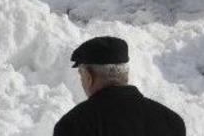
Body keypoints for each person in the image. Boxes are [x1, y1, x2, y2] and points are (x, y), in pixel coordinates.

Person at [54, 36, 185, 136]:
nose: (81, 82)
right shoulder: (172, 122)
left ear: (89, 77)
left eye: (80, 75)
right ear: (126, 75)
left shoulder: (73, 126)